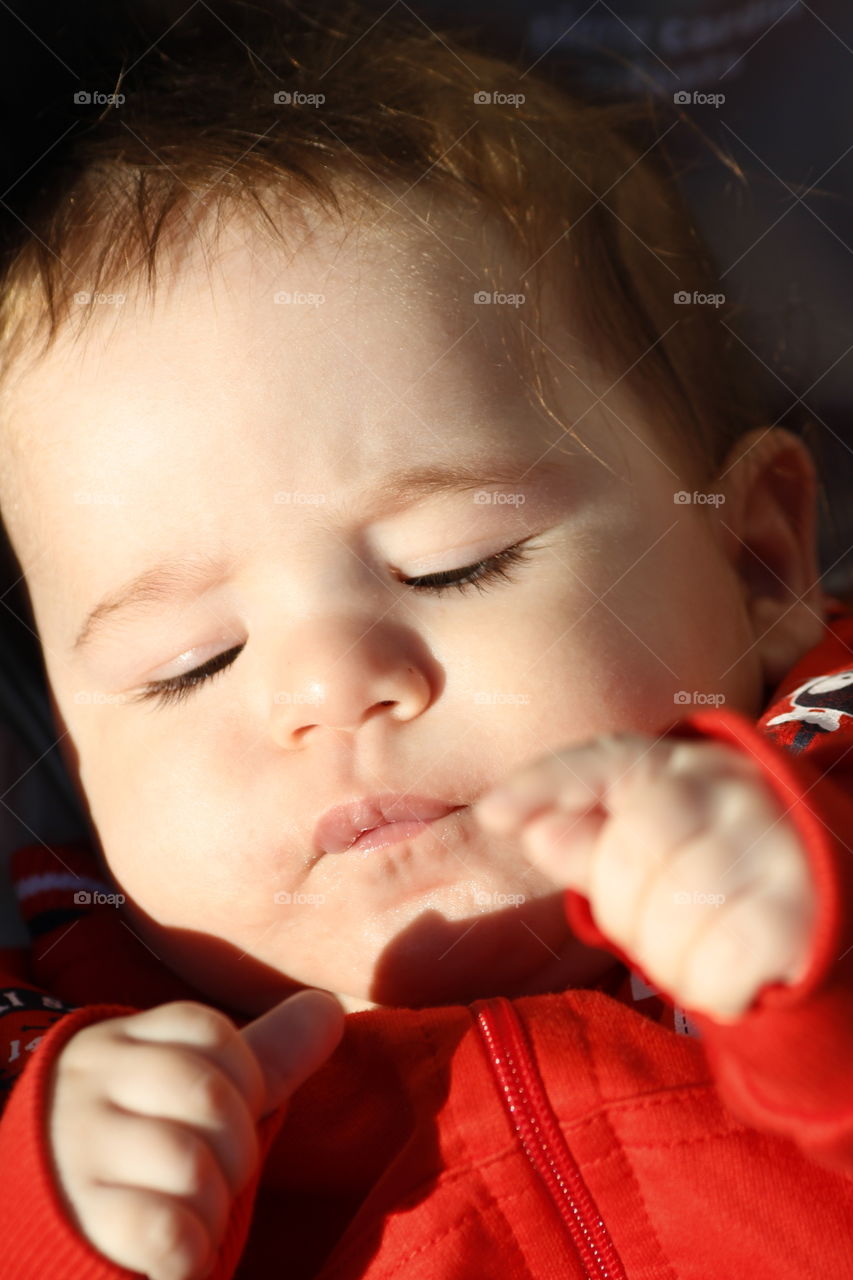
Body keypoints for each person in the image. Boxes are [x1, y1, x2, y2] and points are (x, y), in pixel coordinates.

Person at [0, 2, 851, 1277]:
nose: (327, 686)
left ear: (754, 557)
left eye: (455, 562)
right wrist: (51, 1218)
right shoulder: (64, 1052)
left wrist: (819, 993)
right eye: (190, 662)